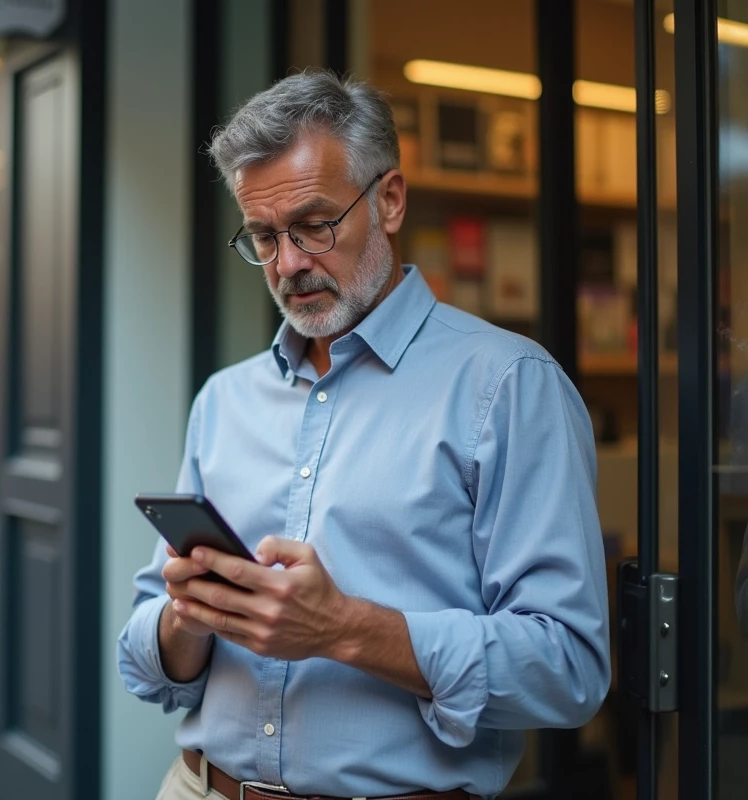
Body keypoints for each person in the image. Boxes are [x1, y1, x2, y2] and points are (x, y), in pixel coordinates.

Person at [117, 72, 611, 800]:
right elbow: (141, 657)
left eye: (315, 224)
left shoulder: (508, 387)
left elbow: (567, 669)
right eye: (263, 235)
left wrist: (343, 628)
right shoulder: (223, 400)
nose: (287, 264)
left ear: (390, 199)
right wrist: (188, 618)